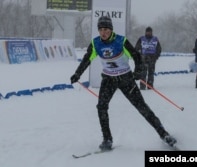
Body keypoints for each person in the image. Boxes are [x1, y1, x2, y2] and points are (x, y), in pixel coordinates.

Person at [70, 16, 176, 151]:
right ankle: (107, 139)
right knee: (101, 107)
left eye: (106, 30)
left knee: (142, 107)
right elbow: (87, 59)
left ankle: (164, 134)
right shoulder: (96, 43)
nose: (103, 33)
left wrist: (138, 71)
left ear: (111, 30)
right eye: (101, 30)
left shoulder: (121, 41)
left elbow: (136, 56)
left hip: (126, 79)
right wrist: (77, 73)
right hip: (108, 80)